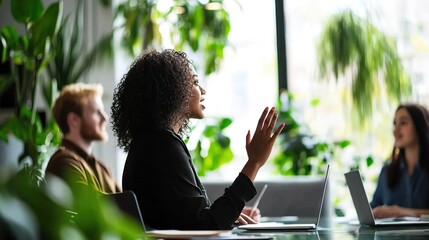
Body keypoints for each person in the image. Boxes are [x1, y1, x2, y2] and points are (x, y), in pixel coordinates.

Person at [110, 49, 285, 230]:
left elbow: (193, 219)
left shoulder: (150, 143)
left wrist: (229, 214)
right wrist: (254, 163)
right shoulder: (162, 145)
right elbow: (205, 225)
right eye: (194, 82)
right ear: (173, 90)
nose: (202, 90)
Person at [46, 83, 121, 194]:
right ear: (74, 120)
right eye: (97, 112)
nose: (105, 118)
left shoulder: (102, 168)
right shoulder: (63, 162)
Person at [370, 103, 429, 218]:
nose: (395, 130)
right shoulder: (387, 171)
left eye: (403, 123)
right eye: (394, 124)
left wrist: (404, 212)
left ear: (420, 126)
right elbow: (373, 208)